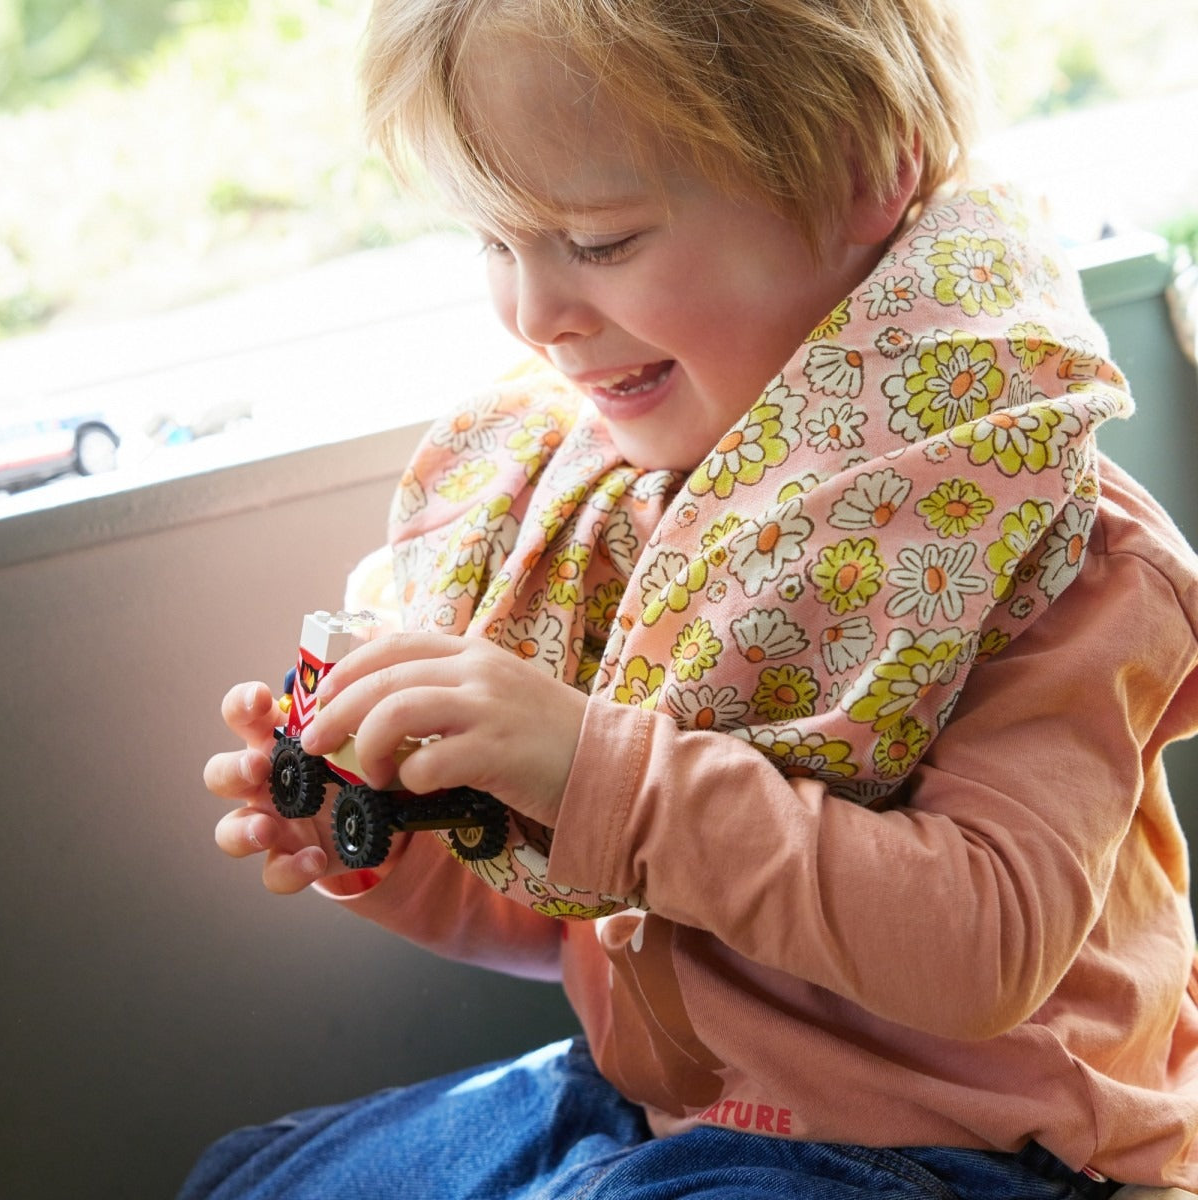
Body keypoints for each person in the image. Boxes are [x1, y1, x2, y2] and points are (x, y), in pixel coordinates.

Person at [184, 0, 1198, 1195]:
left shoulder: (1031, 527)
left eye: (601, 242)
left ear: (867, 173)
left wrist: (589, 764)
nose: (534, 314)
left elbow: (983, 946)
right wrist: (406, 844)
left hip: (971, 1152)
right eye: (496, 246)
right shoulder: (619, 506)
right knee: (258, 1177)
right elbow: (600, 895)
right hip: (667, 1103)